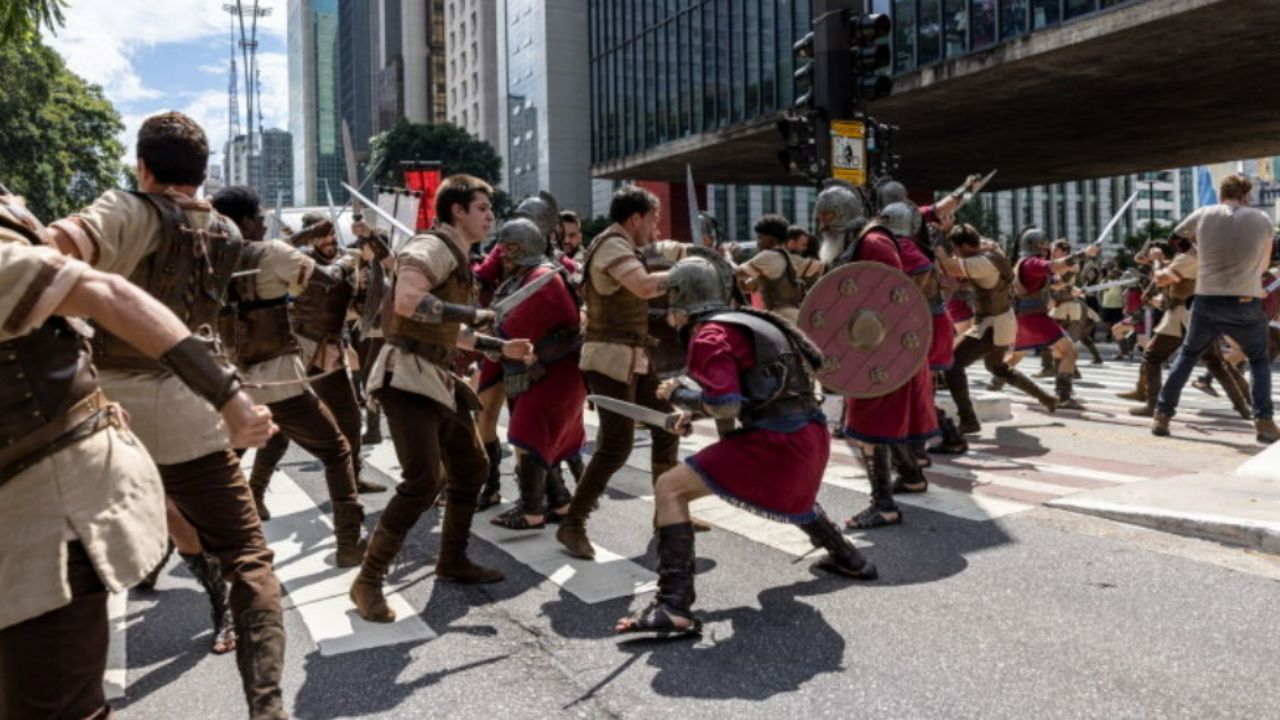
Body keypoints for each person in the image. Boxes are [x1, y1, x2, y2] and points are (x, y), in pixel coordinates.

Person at [44, 111, 287, 718]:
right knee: (250, 557)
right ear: (202, 175)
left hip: (104, 409)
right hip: (191, 403)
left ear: (143, 167)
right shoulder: (228, 230)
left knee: (71, 564)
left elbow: (49, 251)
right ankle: (267, 706)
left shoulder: (127, 209)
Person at [614, 257, 876, 636]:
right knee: (789, 490)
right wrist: (698, 413)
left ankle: (674, 605)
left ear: (679, 296)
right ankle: (849, 557)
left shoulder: (708, 334)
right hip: (808, 438)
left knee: (670, 487)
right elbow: (760, 393)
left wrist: (681, 394)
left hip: (779, 445)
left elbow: (726, 404)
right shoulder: (754, 321)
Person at [349, 175, 534, 623]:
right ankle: (367, 581)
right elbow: (409, 302)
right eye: (482, 206)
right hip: (406, 375)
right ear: (457, 210)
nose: (490, 215)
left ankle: (451, 560)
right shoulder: (430, 247)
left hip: (436, 374)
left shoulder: (457, 256)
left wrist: (497, 347)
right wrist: (476, 313)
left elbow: (452, 330)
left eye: (490, 208)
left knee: (472, 466)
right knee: (422, 481)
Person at [211, 186, 368, 565]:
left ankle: (178, 550)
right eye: (260, 215)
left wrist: (306, 237)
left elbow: (258, 253)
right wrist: (349, 261)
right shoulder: (275, 253)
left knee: (218, 468)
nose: (266, 220)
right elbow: (326, 279)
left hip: (235, 385)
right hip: (281, 381)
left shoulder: (212, 259)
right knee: (336, 451)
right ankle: (349, 543)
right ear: (246, 220)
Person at [556, 185, 678, 559]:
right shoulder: (613, 245)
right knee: (616, 444)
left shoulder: (623, 245)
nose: (656, 226)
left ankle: (667, 513)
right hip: (610, 357)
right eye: (653, 218)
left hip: (631, 356)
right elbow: (642, 286)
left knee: (667, 423)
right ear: (635, 218)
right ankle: (572, 523)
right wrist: (687, 274)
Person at [819, 183, 939, 529]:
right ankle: (913, 477)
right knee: (886, 423)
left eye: (830, 217)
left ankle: (883, 504)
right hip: (874, 349)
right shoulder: (858, 242)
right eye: (821, 217)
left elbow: (892, 298)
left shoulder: (872, 242)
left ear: (845, 216)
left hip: (884, 351)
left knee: (871, 427)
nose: (824, 224)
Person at [1152, 174, 1279, 443]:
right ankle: (1264, 422)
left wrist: (1198, 253)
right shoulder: (1262, 219)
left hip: (1207, 299)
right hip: (1245, 300)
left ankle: (1162, 414)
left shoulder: (1204, 213)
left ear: (1222, 194)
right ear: (1247, 196)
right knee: (1258, 359)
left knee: (1187, 355)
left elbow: (1174, 238)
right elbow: (1265, 264)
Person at [485, 219, 586, 530]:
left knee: (529, 435)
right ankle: (560, 502)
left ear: (527, 247)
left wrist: (482, 332)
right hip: (544, 371)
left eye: (510, 247)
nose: (502, 254)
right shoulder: (528, 275)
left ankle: (532, 510)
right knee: (540, 438)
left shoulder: (542, 278)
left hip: (556, 372)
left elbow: (510, 327)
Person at [288, 213, 386, 494]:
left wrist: (365, 284)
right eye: (320, 235)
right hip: (302, 347)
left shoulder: (347, 258)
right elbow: (327, 280)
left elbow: (357, 303)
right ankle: (255, 490)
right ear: (309, 236)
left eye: (330, 234)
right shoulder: (301, 260)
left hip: (331, 346)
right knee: (281, 427)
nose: (328, 240)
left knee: (349, 416)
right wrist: (348, 265)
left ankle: (352, 479)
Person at [937, 224, 1062, 434]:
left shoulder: (981, 262)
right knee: (997, 367)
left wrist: (939, 248)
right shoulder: (992, 252)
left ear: (966, 246)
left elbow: (948, 266)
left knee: (953, 365)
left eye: (957, 248)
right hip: (1002, 322)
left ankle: (968, 420)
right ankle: (1047, 398)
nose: (956, 253)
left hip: (991, 326)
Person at [1119, 236, 1250, 419]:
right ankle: (1243, 408)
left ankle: (1152, 405)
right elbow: (1142, 259)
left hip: (1183, 314)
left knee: (1153, 356)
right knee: (1215, 363)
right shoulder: (1203, 255)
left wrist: (1156, 259)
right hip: (1194, 313)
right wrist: (1154, 258)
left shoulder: (1188, 257)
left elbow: (1161, 278)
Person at [1005, 228, 1100, 409]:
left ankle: (996, 379)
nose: (1046, 246)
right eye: (1042, 243)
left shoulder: (1027, 263)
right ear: (1033, 245)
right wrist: (1083, 254)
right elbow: (1054, 266)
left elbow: (1055, 283)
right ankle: (1063, 397)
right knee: (1070, 351)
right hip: (1036, 318)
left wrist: (1072, 290)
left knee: (1016, 356)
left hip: (1027, 318)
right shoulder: (1032, 263)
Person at [734, 214, 805, 323]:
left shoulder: (769, 256)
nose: (757, 242)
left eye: (760, 237)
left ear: (771, 239)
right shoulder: (784, 257)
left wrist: (727, 255)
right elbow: (747, 287)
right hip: (792, 317)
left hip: (780, 318)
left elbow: (737, 272)